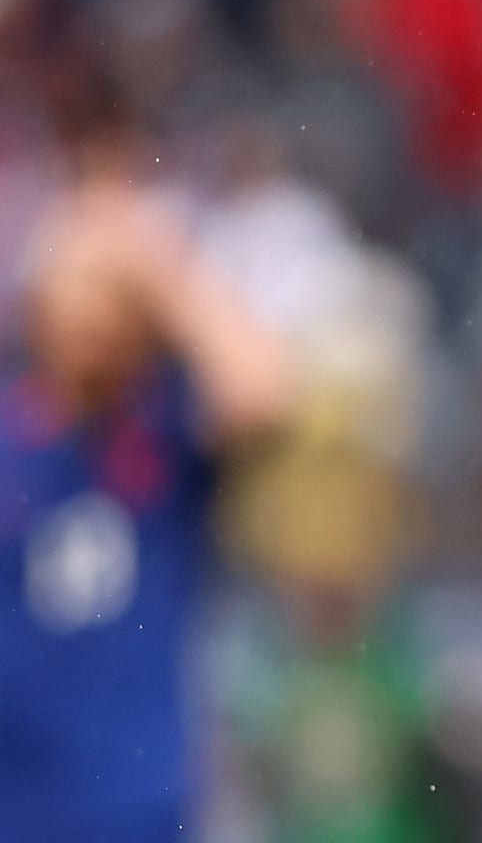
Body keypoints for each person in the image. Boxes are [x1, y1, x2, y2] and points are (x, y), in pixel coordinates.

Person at [0, 121, 292, 841]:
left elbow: (265, 391)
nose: (94, 312)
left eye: (112, 294)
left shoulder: (162, 427)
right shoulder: (9, 437)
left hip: (143, 807)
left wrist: (157, 261)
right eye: (77, 284)